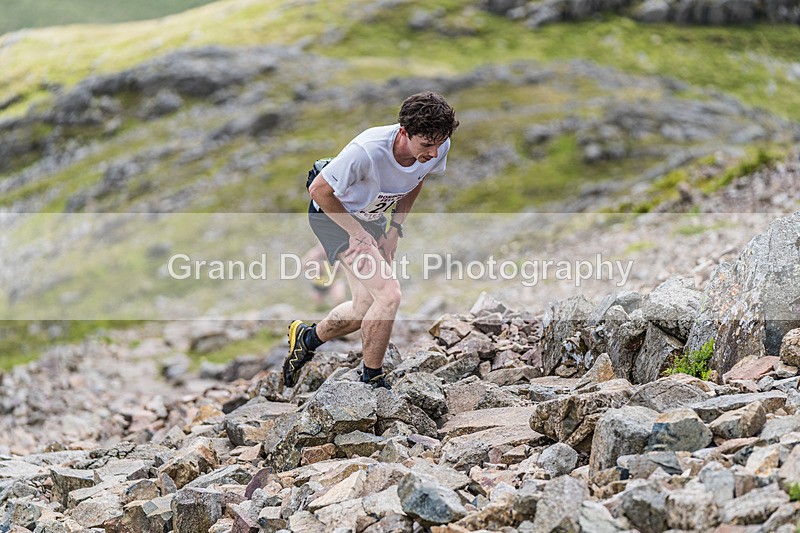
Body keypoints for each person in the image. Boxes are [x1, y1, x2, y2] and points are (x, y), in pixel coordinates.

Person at [282, 91, 459, 389]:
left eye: (439, 144)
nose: (434, 152)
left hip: (371, 215)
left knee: (362, 308)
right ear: (404, 132)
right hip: (333, 216)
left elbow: (418, 178)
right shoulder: (366, 150)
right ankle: (372, 380)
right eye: (426, 145)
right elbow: (319, 190)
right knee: (389, 295)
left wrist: (395, 229)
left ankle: (306, 338)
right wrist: (357, 233)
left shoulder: (437, 146)